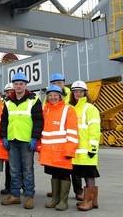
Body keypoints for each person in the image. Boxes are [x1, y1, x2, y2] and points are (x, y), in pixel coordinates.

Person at [0, 72, 43, 209]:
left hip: (26, 140)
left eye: (21, 84)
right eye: (16, 84)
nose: (18, 86)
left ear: (25, 85)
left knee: (27, 169)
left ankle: (29, 196)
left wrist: (35, 137)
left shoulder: (34, 100)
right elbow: (4, 121)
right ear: (13, 85)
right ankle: (15, 195)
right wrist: (4, 136)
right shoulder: (7, 101)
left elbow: (38, 121)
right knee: (13, 169)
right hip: (12, 139)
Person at [39, 85, 78, 211]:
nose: (53, 97)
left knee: (64, 175)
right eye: (50, 95)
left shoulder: (68, 110)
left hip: (62, 151)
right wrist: (40, 146)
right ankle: (55, 199)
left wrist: (70, 150)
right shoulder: (46, 109)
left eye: (56, 95)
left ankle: (63, 201)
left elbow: (72, 132)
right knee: (54, 174)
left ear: (61, 96)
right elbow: (42, 129)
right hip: (49, 151)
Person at [48, 73, 82, 200]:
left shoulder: (71, 94)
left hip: (71, 134)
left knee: (74, 168)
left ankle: (78, 191)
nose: (57, 84)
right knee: (59, 169)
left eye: (59, 82)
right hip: (57, 140)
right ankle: (57, 193)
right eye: (54, 82)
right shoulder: (51, 95)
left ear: (63, 82)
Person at [70, 80, 101, 211]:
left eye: (80, 91)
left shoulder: (90, 108)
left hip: (87, 150)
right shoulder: (72, 108)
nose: (78, 93)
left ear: (85, 93)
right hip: (77, 151)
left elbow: (95, 129)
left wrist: (93, 148)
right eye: (75, 91)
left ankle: (88, 201)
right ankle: (92, 201)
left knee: (89, 176)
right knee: (83, 175)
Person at [0, 82, 14, 195]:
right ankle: (8, 186)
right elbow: (3, 122)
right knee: (9, 164)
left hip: (18, 136)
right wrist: (3, 136)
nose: (9, 93)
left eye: (11, 91)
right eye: (7, 92)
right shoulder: (4, 104)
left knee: (22, 165)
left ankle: (22, 186)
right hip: (8, 137)